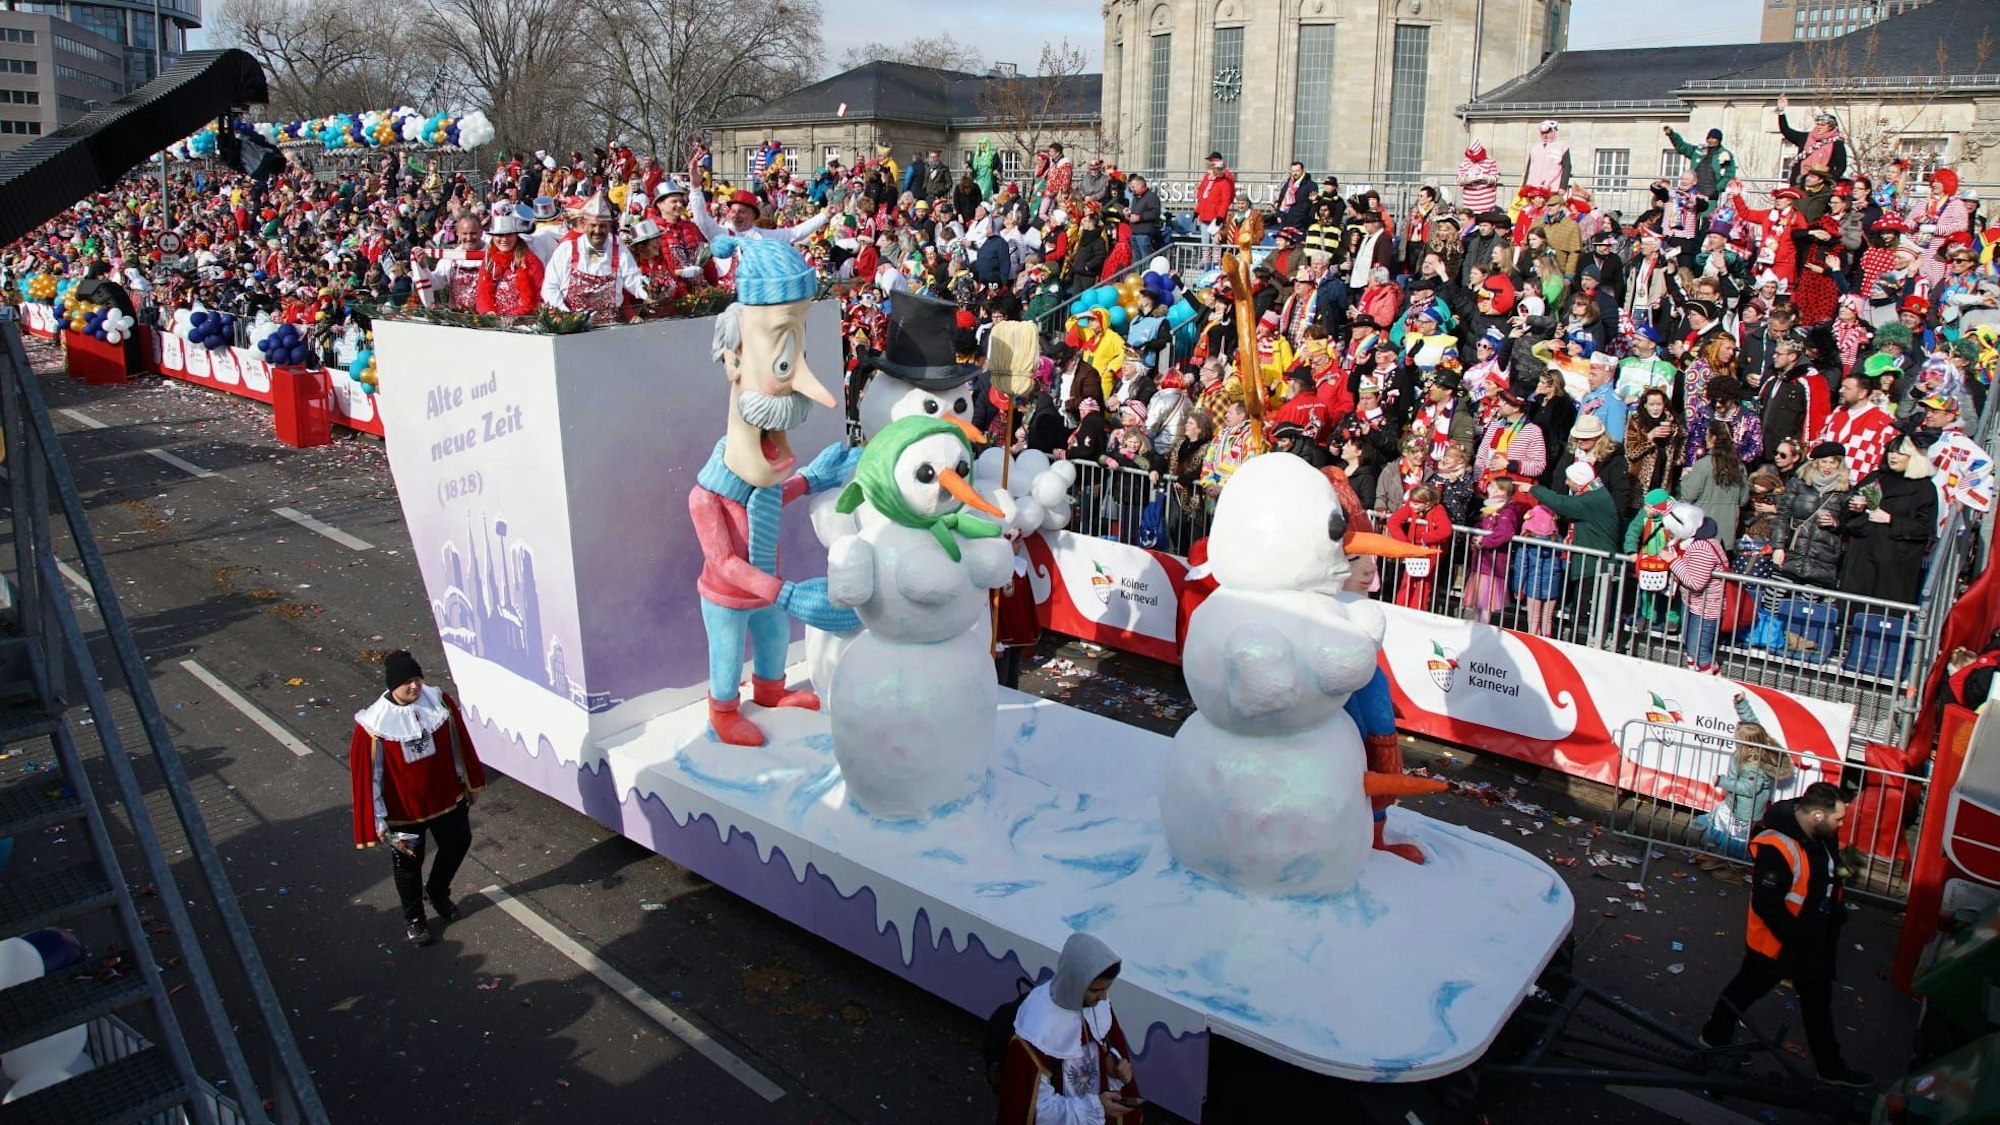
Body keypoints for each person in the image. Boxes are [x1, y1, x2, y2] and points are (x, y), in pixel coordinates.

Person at [1700, 782, 1872, 1088]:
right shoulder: (1778, 846)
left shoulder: (1821, 834)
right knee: (1745, 990)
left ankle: (1830, 1068)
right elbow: (1768, 904)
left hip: (1809, 942)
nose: (1842, 825)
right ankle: (1714, 1036)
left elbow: (1827, 874)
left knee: (1817, 1003)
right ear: (1818, 815)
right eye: (1838, 819)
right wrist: (1799, 939)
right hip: (1778, 944)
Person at [348, 651, 485, 947]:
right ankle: (415, 919)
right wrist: (378, 820)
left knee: (459, 842)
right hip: (403, 813)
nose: (414, 687)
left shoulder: (438, 701)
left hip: (446, 799)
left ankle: (437, 890)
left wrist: (468, 782)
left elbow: (456, 742)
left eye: (417, 679)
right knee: (408, 865)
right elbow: (370, 776)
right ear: (392, 685)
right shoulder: (373, 726)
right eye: (407, 682)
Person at [995, 932, 1142, 1123]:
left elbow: (1103, 1051)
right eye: (1096, 990)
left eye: (1107, 988)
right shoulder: (1038, 1029)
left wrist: (1113, 1069)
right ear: (1076, 984)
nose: (1104, 997)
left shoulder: (1097, 1007)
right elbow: (1036, 1110)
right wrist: (1095, 1108)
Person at [1696, 695, 1799, 863]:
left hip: (1745, 810)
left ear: (1746, 741)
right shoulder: (1754, 743)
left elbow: (1748, 788)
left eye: (1737, 735)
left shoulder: (1753, 764)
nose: (1734, 736)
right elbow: (1752, 723)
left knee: (1737, 838)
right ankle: (1719, 855)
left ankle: (1734, 867)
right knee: (1719, 821)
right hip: (1735, 803)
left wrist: (1721, 781)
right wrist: (1741, 704)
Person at [1837, 434, 1937, 606]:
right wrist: (1855, 508)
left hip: (1894, 564)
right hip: (1861, 558)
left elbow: (1924, 528)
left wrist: (1891, 519)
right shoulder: (1875, 477)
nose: (1893, 456)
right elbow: (1846, 511)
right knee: (1851, 611)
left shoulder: (1925, 488)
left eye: (1899, 453)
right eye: (1890, 451)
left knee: (1882, 616)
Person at [540, 192, 649, 317]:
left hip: (610, 328)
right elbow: (550, 287)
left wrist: (649, 291)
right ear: (584, 224)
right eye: (593, 225)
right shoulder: (567, 249)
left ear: (608, 226)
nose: (597, 231)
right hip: (574, 329)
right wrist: (565, 314)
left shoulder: (618, 248)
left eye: (602, 226)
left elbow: (633, 280)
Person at [1664, 502, 1732, 673]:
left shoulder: (1702, 547)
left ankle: (1712, 683)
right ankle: (1694, 677)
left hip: (1706, 607)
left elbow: (1696, 582)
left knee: (1699, 651)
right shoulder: (1696, 541)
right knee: (1691, 647)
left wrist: (1672, 561)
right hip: (1694, 604)